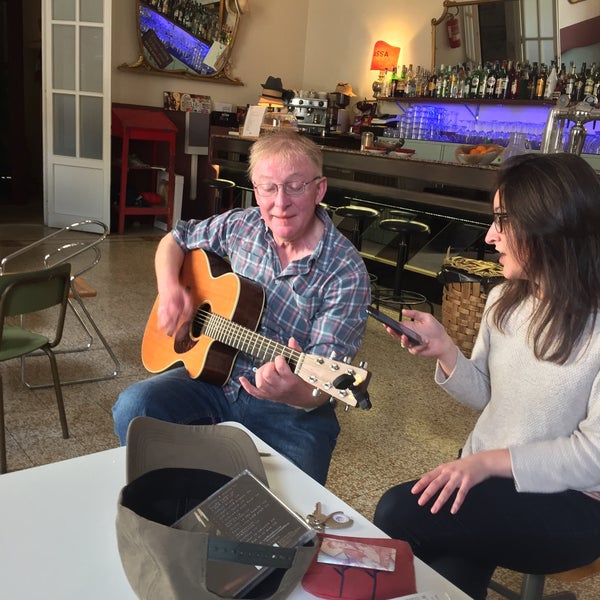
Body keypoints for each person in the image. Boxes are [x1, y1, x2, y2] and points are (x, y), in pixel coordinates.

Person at [373, 153, 600, 599]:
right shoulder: (502, 300)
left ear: (550, 225)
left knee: (398, 512)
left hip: (571, 502)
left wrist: (483, 463)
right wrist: (446, 351)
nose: (490, 235)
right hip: (488, 479)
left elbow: (592, 457)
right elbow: (492, 397)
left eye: (503, 220)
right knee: (445, 570)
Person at [112, 129, 370, 485]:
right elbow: (175, 240)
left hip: (289, 408)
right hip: (213, 378)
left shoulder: (346, 271)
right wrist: (171, 289)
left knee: (287, 506)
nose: (281, 203)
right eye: (268, 187)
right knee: (135, 408)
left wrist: (292, 391)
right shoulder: (241, 226)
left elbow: (319, 388)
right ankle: (171, 498)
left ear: (319, 189)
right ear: (255, 188)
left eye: (296, 186)